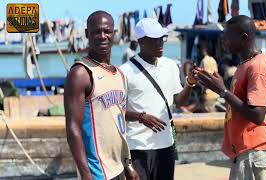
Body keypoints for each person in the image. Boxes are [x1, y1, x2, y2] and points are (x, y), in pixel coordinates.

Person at [194, 15, 266, 179]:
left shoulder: (257, 67)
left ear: (243, 38)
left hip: (253, 149)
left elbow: (257, 115)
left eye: (228, 37)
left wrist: (223, 91)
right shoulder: (245, 64)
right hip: (243, 151)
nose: (224, 41)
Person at [64, 11, 139, 180]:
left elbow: (118, 122)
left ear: (114, 33)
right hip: (97, 172)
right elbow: (72, 128)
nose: (102, 36)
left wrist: (128, 166)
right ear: (86, 34)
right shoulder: (80, 74)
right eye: (96, 32)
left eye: (107, 31)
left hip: (118, 167)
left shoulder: (119, 74)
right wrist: (85, 174)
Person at [120, 18, 196, 180]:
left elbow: (179, 102)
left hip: (166, 145)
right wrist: (141, 117)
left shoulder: (170, 66)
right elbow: (116, 111)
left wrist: (189, 83)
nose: (160, 43)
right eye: (154, 39)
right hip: (137, 147)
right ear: (141, 41)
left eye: (162, 38)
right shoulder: (125, 71)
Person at [198, 43, 219, 112]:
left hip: (208, 94)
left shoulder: (205, 61)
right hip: (214, 93)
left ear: (203, 50)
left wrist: (203, 93)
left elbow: (207, 78)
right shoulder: (213, 60)